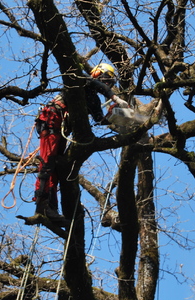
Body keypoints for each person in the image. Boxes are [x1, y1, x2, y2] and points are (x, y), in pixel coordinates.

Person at [33, 63, 127, 224]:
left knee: (55, 166)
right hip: (52, 119)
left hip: (62, 128)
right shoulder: (80, 79)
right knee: (47, 163)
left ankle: (52, 208)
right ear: (97, 75)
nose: (106, 84)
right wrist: (115, 97)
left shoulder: (93, 99)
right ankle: (42, 204)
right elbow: (95, 84)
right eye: (105, 80)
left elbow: (100, 119)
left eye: (109, 83)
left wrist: (116, 116)